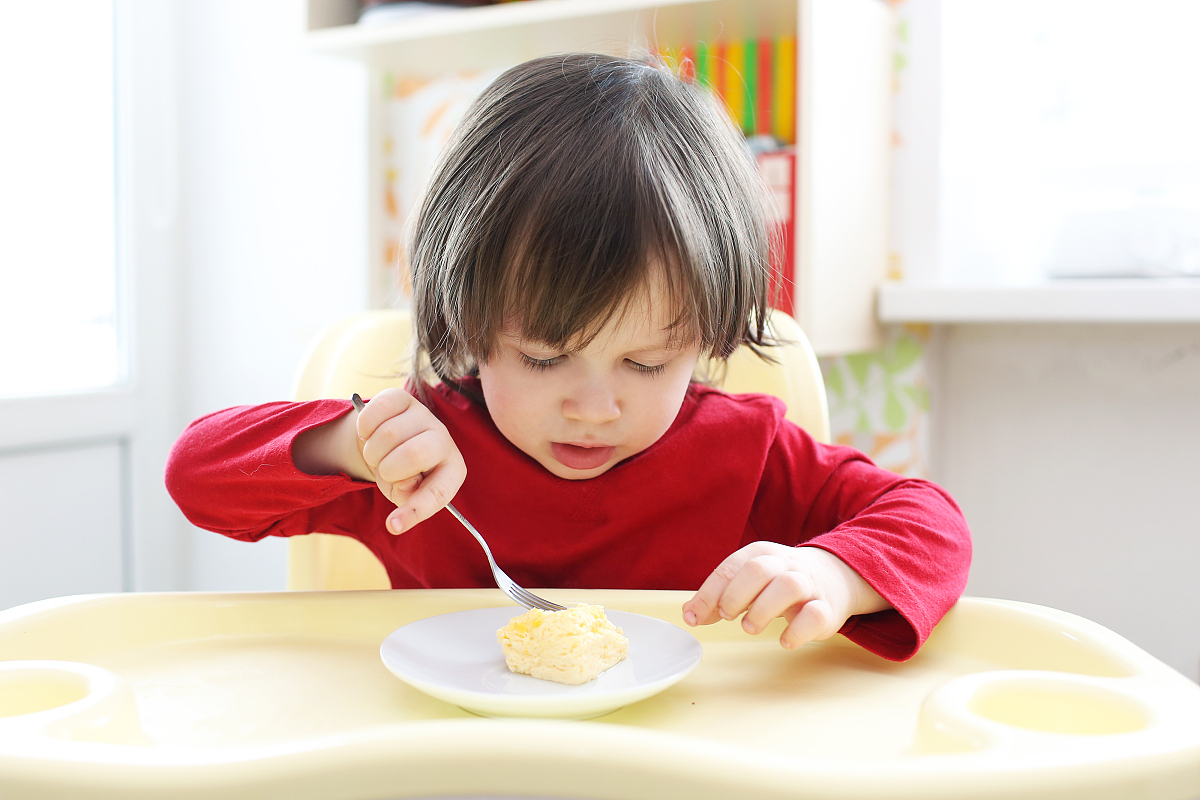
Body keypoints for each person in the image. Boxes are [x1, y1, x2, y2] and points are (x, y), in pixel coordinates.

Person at [166, 53, 970, 661]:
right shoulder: (418, 458)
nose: (594, 407)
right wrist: (351, 445)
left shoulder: (746, 454)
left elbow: (933, 526)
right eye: (545, 360)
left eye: (647, 364)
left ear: (705, 336)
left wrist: (832, 572)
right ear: (469, 322)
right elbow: (195, 473)